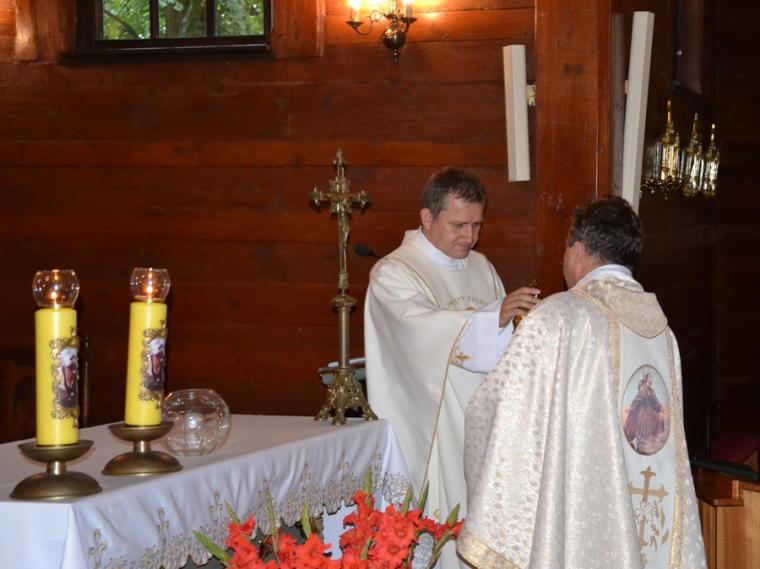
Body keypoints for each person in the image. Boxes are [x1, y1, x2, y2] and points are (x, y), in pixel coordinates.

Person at [457, 196, 706, 569]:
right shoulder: (662, 334)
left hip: (579, 513)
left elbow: (496, 411)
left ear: (577, 250)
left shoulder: (559, 318)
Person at [364, 167, 540, 569]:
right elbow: (419, 332)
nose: (470, 237)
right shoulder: (394, 273)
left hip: (483, 426)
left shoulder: (482, 267)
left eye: (477, 226)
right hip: (434, 429)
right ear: (427, 217)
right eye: (459, 225)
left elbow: (502, 345)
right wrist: (492, 318)